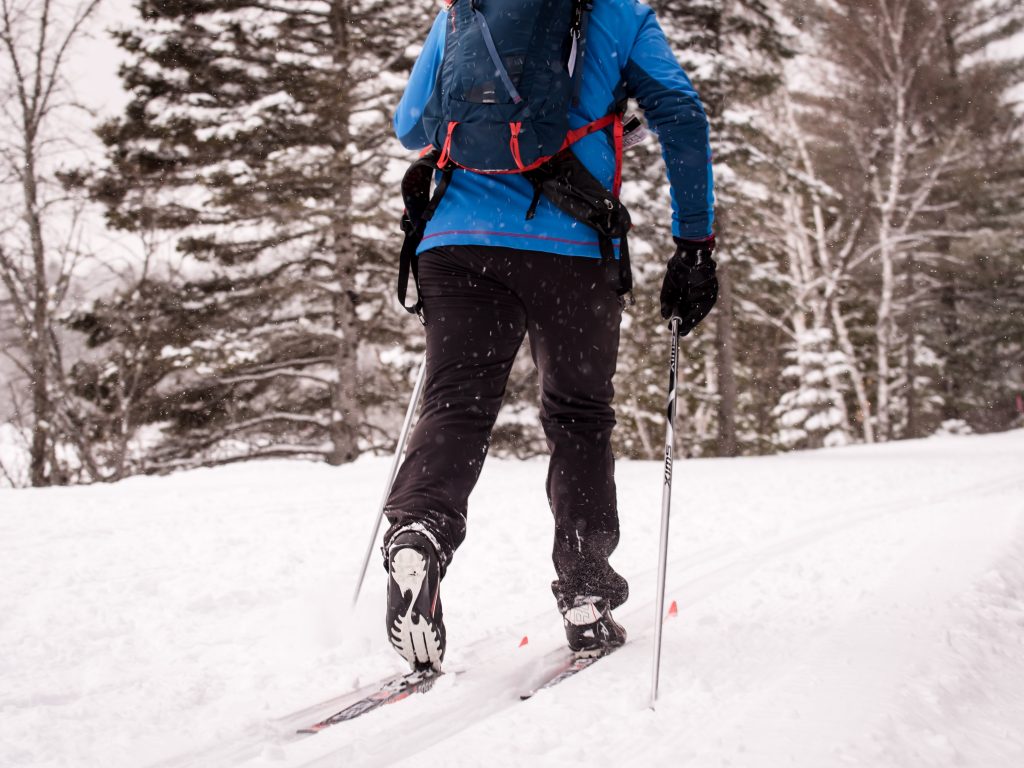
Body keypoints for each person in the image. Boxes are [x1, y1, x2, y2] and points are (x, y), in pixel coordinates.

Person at [382, 0, 717, 671]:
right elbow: (679, 113)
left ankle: (419, 528)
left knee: (457, 404)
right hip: (569, 248)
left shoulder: (465, 6)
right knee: (579, 415)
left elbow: (410, 124)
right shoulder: (621, 13)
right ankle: (586, 588)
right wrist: (695, 243)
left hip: (456, 243)